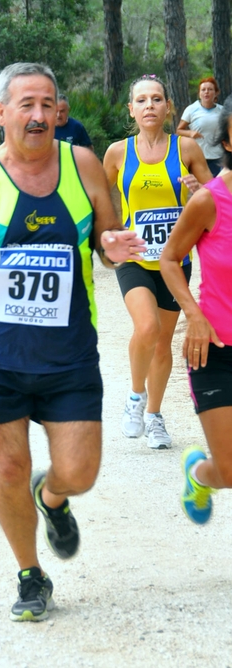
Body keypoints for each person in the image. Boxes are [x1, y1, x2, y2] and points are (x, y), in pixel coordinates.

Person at [0, 62, 145, 622]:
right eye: (26, 104)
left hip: (68, 352)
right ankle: (30, 574)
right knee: (6, 469)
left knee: (81, 471)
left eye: (47, 103)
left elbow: (103, 235)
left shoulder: (83, 165)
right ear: (2, 112)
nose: (39, 114)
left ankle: (54, 496)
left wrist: (113, 245)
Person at [103, 74, 212, 450]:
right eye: (142, 100)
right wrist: (110, 234)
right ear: (131, 109)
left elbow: (216, 199)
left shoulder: (186, 150)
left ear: (169, 108)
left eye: (156, 99)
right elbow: (100, 202)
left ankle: (154, 415)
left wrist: (198, 192)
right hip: (134, 258)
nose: (149, 105)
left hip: (173, 260)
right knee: (147, 327)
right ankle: (134, 399)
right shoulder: (117, 153)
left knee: (163, 342)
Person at [160, 95, 232, 524]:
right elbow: (170, 259)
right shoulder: (209, 200)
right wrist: (195, 316)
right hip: (216, 349)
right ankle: (201, 473)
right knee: (229, 471)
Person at [177, 77, 224, 177]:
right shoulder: (191, 110)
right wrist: (190, 133)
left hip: (218, 157)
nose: (206, 92)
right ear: (199, 93)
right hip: (198, 157)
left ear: (216, 93)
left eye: (210, 89)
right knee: (201, 189)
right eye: (203, 90)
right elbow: (179, 130)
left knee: (217, 190)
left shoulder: (223, 111)